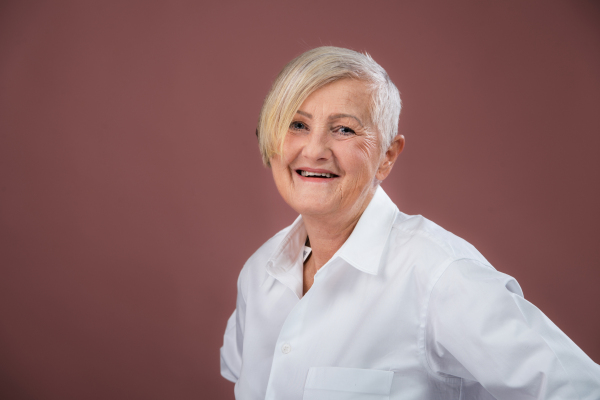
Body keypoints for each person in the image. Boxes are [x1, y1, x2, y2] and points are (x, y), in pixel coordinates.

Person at [219, 46, 600, 400]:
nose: (315, 150)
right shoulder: (259, 273)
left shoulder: (439, 276)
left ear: (387, 156)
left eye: (345, 129)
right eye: (297, 125)